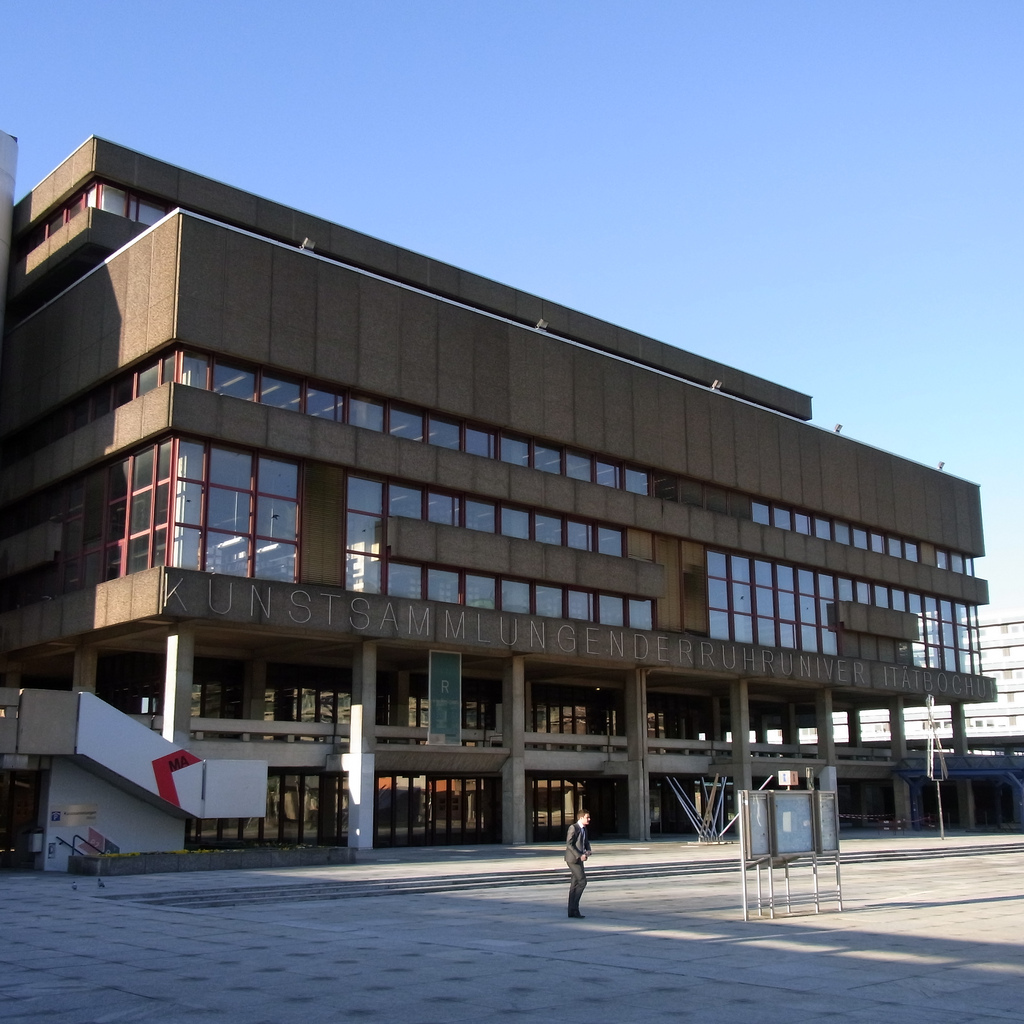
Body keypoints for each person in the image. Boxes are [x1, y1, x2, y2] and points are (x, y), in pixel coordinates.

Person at [564, 809, 592, 918]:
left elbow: (586, 842)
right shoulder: (573, 828)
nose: (589, 819)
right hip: (572, 859)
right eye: (587, 817)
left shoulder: (584, 829)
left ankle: (572, 911)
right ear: (581, 818)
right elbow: (569, 844)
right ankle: (575, 908)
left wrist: (588, 850)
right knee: (582, 882)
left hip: (579, 859)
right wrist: (580, 855)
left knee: (574, 885)